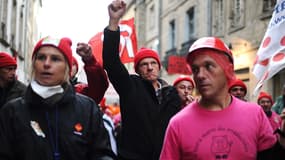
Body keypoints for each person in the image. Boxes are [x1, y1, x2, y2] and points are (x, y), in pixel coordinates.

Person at [160, 37, 285, 160]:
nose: (200, 75)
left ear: (228, 70)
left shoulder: (255, 114)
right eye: (195, 69)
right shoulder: (178, 124)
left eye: (208, 66)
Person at [0, 36, 115, 160]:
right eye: (41, 57)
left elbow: (102, 154)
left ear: (67, 68)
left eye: (55, 59)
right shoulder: (12, 111)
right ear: (34, 64)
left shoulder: (87, 109)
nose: (47, 64)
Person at [103, 1, 181, 159]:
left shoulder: (171, 93)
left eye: (153, 63)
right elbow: (111, 61)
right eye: (144, 65)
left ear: (159, 67)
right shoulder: (131, 86)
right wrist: (113, 21)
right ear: (138, 70)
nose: (150, 67)